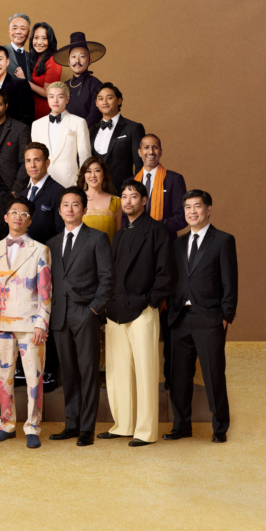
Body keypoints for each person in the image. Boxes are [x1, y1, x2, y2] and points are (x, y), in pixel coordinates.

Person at [102, 178, 174, 447]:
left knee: (145, 372)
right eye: (124, 196)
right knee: (118, 371)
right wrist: (109, 302)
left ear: (144, 201)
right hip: (116, 310)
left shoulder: (157, 230)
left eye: (133, 196)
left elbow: (167, 273)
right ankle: (123, 425)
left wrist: (151, 301)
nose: (128, 201)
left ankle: (145, 431)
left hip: (144, 309)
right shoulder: (119, 234)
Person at [166, 190, 238, 442]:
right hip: (180, 318)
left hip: (210, 318)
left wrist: (226, 315)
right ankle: (181, 425)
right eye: (187, 207)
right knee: (179, 376)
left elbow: (230, 281)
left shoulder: (223, 240)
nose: (192, 211)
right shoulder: (178, 243)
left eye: (197, 206)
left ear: (208, 209)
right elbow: (174, 279)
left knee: (213, 374)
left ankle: (220, 427)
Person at [0, 197, 52, 447]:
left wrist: (41, 323)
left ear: (29, 221)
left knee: (34, 378)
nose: (18, 217)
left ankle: (32, 428)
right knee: (4, 377)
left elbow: (46, 291)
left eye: (23, 214)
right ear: (5, 217)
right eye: (14, 212)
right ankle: (7, 425)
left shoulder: (40, 249)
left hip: (30, 324)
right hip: (1, 322)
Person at [46, 187, 114, 447]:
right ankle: (71, 424)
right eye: (66, 205)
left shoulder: (97, 238)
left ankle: (87, 427)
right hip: (60, 315)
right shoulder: (52, 243)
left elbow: (107, 279)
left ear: (84, 209)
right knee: (69, 372)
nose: (70, 209)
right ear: (59, 210)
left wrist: (93, 310)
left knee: (88, 371)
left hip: (85, 313)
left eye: (76, 204)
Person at [30, 81, 92, 187]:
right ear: (47, 99)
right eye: (51, 96)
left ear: (67, 99)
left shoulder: (79, 122)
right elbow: (34, 157)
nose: (55, 100)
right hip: (42, 182)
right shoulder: (37, 124)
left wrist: (84, 185)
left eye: (60, 96)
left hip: (69, 183)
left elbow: (85, 156)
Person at [88, 83, 143, 191]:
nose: (104, 102)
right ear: (96, 103)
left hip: (123, 190)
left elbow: (140, 165)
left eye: (109, 98)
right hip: (95, 191)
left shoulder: (133, 128)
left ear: (119, 101)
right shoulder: (90, 130)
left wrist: (136, 192)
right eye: (100, 99)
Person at [132, 134, 188, 240]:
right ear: (139, 152)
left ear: (161, 152)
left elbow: (182, 217)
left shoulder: (174, 179)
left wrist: (154, 227)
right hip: (135, 240)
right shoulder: (130, 182)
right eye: (146, 147)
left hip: (164, 241)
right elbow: (124, 217)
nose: (151, 152)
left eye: (155, 147)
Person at [53, 31, 104, 129]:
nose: (77, 61)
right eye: (73, 57)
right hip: (62, 133)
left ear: (89, 61)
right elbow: (55, 110)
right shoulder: (63, 86)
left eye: (82, 56)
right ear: (69, 62)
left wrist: (77, 130)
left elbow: (95, 115)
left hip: (86, 133)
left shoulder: (96, 85)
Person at [16, 143, 63, 244]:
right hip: (22, 250)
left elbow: (62, 232)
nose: (32, 165)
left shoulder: (59, 192)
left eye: (37, 160)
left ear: (47, 163)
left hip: (48, 251)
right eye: (28, 161)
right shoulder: (21, 196)